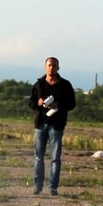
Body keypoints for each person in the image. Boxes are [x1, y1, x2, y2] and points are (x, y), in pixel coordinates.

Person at [28, 57, 76, 196]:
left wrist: (58, 105)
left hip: (56, 125)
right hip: (41, 124)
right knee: (38, 157)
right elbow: (31, 102)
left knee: (55, 158)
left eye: (54, 65)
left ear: (58, 68)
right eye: (49, 65)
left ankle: (53, 188)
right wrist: (38, 102)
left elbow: (72, 104)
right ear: (45, 67)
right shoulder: (39, 84)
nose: (51, 68)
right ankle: (37, 186)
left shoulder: (65, 85)